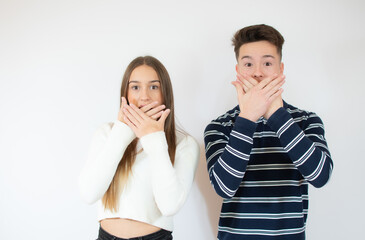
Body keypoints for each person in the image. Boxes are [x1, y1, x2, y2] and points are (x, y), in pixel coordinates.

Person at [204, 24, 333, 240]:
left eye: (267, 63)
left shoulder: (306, 121)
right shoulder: (220, 127)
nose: (257, 72)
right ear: (237, 70)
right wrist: (248, 118)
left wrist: (275, 113)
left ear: (280, 69)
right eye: (248, 63)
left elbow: (321, 176)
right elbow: (224, 188)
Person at [79, 56, 199, 240]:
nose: (144, 96)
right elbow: (89, 194)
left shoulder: (184, 143)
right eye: (135, 87)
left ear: (165, 92)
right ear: (125, 93)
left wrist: (154, 138)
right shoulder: (107, 133)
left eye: (154, 87)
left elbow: (169, 206)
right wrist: (121, 134)